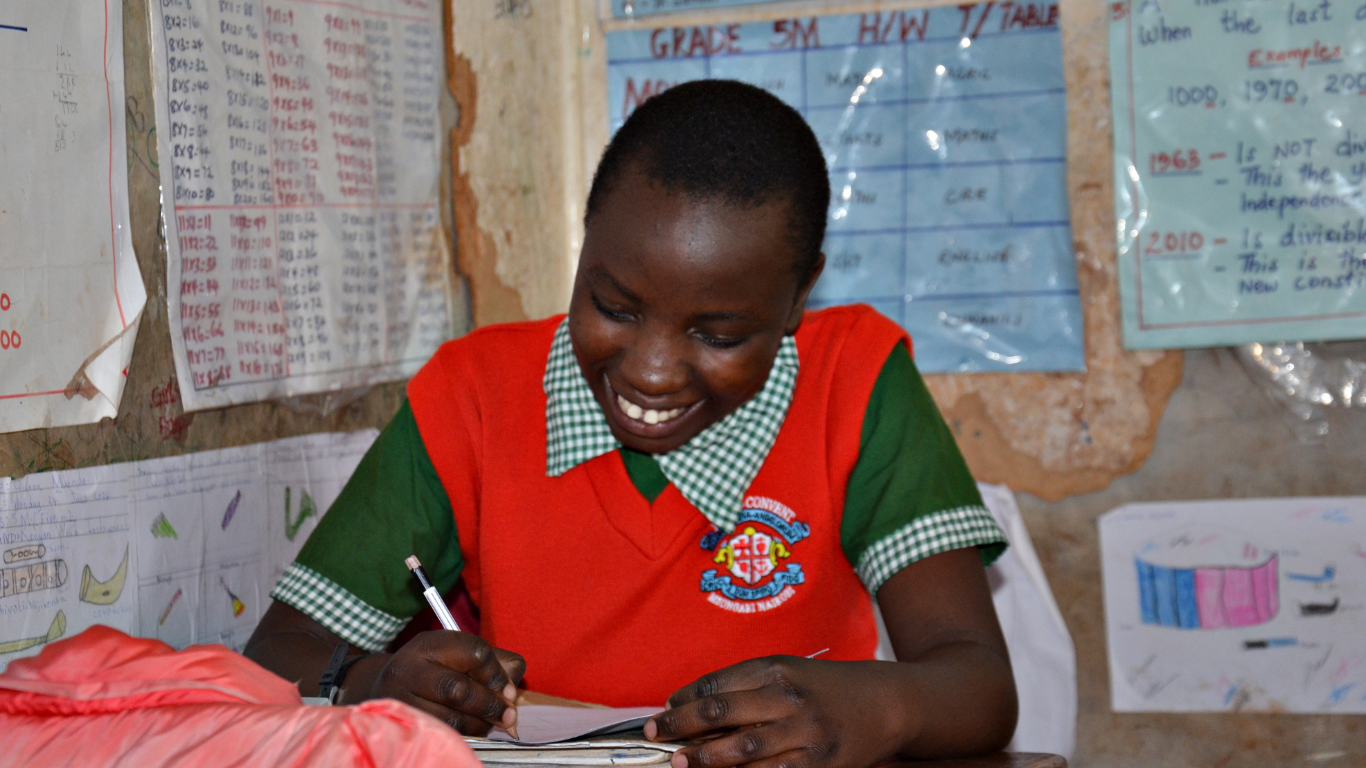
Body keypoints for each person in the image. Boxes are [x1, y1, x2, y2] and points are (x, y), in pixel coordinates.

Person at [245, 79, 1018, 766]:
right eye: (614, 306)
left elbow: (979, 685)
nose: (650, 371)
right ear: (585, 245)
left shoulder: (855, 379)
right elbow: (277, 652)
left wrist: (875, 707)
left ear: (797, 298)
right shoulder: (472, 396)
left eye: (718, 335)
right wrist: (374, 679)